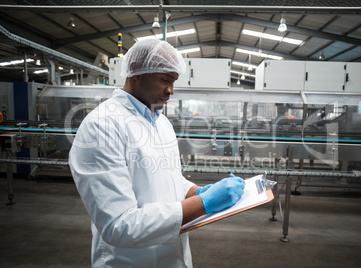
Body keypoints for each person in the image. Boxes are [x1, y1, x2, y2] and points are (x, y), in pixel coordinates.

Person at [68, 38, 245, 268]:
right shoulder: (102, 126)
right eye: (164, 80)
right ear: (135, 73)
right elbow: (119, 226)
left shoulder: (161, 123)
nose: (170, 90)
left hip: (173, 259)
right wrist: (203, 203)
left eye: (174, 82)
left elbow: (169, 178)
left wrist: (196, 191)